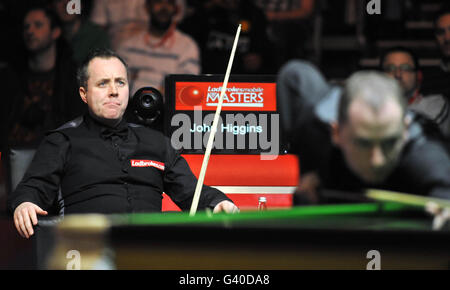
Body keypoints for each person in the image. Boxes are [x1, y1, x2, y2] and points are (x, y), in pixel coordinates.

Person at [7, 48, 238, 239]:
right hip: (90, 253)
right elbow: (33, 187)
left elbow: (192, 192)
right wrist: (25, 203)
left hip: (150, 253)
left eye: (120, 82)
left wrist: (218, 203)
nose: (114, 92)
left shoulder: (156, 142)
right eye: (102, 84)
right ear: (83, 93)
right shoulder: (63, 140)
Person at [277, 60, 450, 205]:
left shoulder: (425, 155)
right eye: (363, 143)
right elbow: (293, 74)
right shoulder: (316, 125)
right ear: (336, 133)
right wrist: (309, 169)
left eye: (389, 142)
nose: (377, 160)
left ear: (404, 130)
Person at [5, 6, 85, 148]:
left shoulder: (72, 76)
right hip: (13, 153)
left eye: (38, 25)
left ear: (55, 32)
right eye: (26, 27)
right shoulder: (12, 75)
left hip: (54, 154)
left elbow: (76, 125)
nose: (30, 31)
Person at [117, 0, 200, 96]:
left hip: (169, 109)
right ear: (147, 7)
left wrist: (139, 78)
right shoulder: (128, 46)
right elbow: (117, 84)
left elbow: (188, 89)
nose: (164, 7)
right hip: (131, 107)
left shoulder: (188, 46)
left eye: (169, 3)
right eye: (158, 2)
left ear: (176, 9)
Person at [179, 0, 274, 75]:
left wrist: (259, 59)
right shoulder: (207, 13)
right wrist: (207, 7)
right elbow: (185, 35)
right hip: (208, 77)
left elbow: (265, 51)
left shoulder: (254, 14)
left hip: (243, 79)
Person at [379, 47, 450, 143]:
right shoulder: (367, 108)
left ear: (419, 76)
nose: (398, 74)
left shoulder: (435, 105)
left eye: (406, 68)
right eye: (390, 69)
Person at [51, 0, 111, 65]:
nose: (66, 5)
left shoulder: (97, 35)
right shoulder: (48, 35)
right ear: (53, 6)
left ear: (81, 5)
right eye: (60, 1)